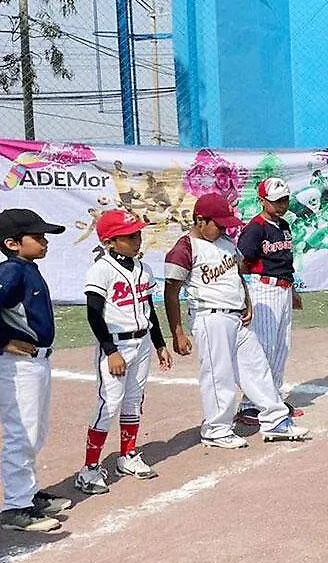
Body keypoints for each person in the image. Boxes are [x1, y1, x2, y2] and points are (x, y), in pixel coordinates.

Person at [164, 194, 311, 448]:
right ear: (200, 220)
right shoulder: (185, 248)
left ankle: (274, 419)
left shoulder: (225, 243)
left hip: (236, 315)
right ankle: (216, 429)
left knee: (256, 365)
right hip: (210, 317)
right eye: (218, 224)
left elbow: (238, 275)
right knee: (218, 374)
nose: (223, 229)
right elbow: (171, 292)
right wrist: (177, 332)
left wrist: (248, 302)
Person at [75, 211, 174, 495]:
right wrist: (110, 351)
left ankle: (127, 456)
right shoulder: (101, 269)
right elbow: (94, 314)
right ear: (110, 240)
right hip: (116, 344)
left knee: (134, 400)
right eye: (130, 236)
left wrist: (159, 344)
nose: (137, 239)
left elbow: (149, 310)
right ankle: (89, 469)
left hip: (142, 342)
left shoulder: (143, 268)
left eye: (138, 234)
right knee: (109, 402)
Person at [0, 209, 72, 532]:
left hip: (37, 362)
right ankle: (16, 506)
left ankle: (28, 494)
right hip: (18, 365)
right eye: (38, 237)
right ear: (12, 243)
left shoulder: (26, 268)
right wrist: (3, 341)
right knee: (22, 433)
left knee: (36, 431)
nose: (45, 242)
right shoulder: (11, 271)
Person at [236, 177, 304, 425]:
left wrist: (293, 290)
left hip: (283, 290)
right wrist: (243, 294)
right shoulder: (255, 228)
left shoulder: (284, 225)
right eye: (276, 201)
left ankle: (271, 398)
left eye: (285, 199)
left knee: (280, 347)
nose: (281, 205)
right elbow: (242, 262)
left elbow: (286, 261)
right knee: (262, 348)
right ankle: (249, 405)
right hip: (263, 289)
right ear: (262, 201)